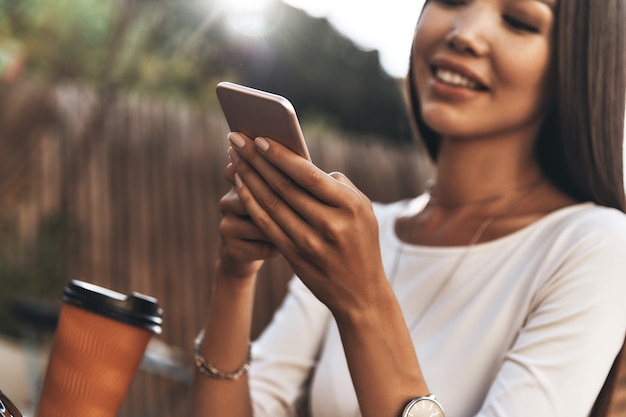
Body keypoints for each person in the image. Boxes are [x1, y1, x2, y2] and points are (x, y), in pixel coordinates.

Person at [190, 0, 626, 416]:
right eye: (452, 0)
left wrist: (365, 301)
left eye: (519, 21)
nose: (465, 34)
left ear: (575, 64)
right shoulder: (358, 233)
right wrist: (235, 275)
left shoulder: (596, 244)